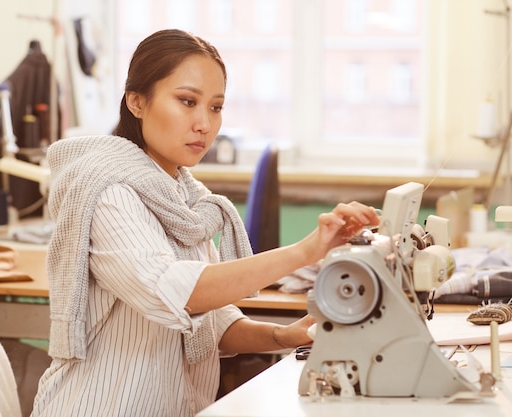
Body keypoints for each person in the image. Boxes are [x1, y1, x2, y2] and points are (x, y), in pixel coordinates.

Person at [30, 29, 379, 417]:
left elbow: (213, 323)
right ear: (136, 102)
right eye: (187, 101)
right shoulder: (107, 192)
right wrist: (305, 251)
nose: (204, 124)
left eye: (215, 107)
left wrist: (285, 335)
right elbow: (177, 293)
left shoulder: (184, 199)